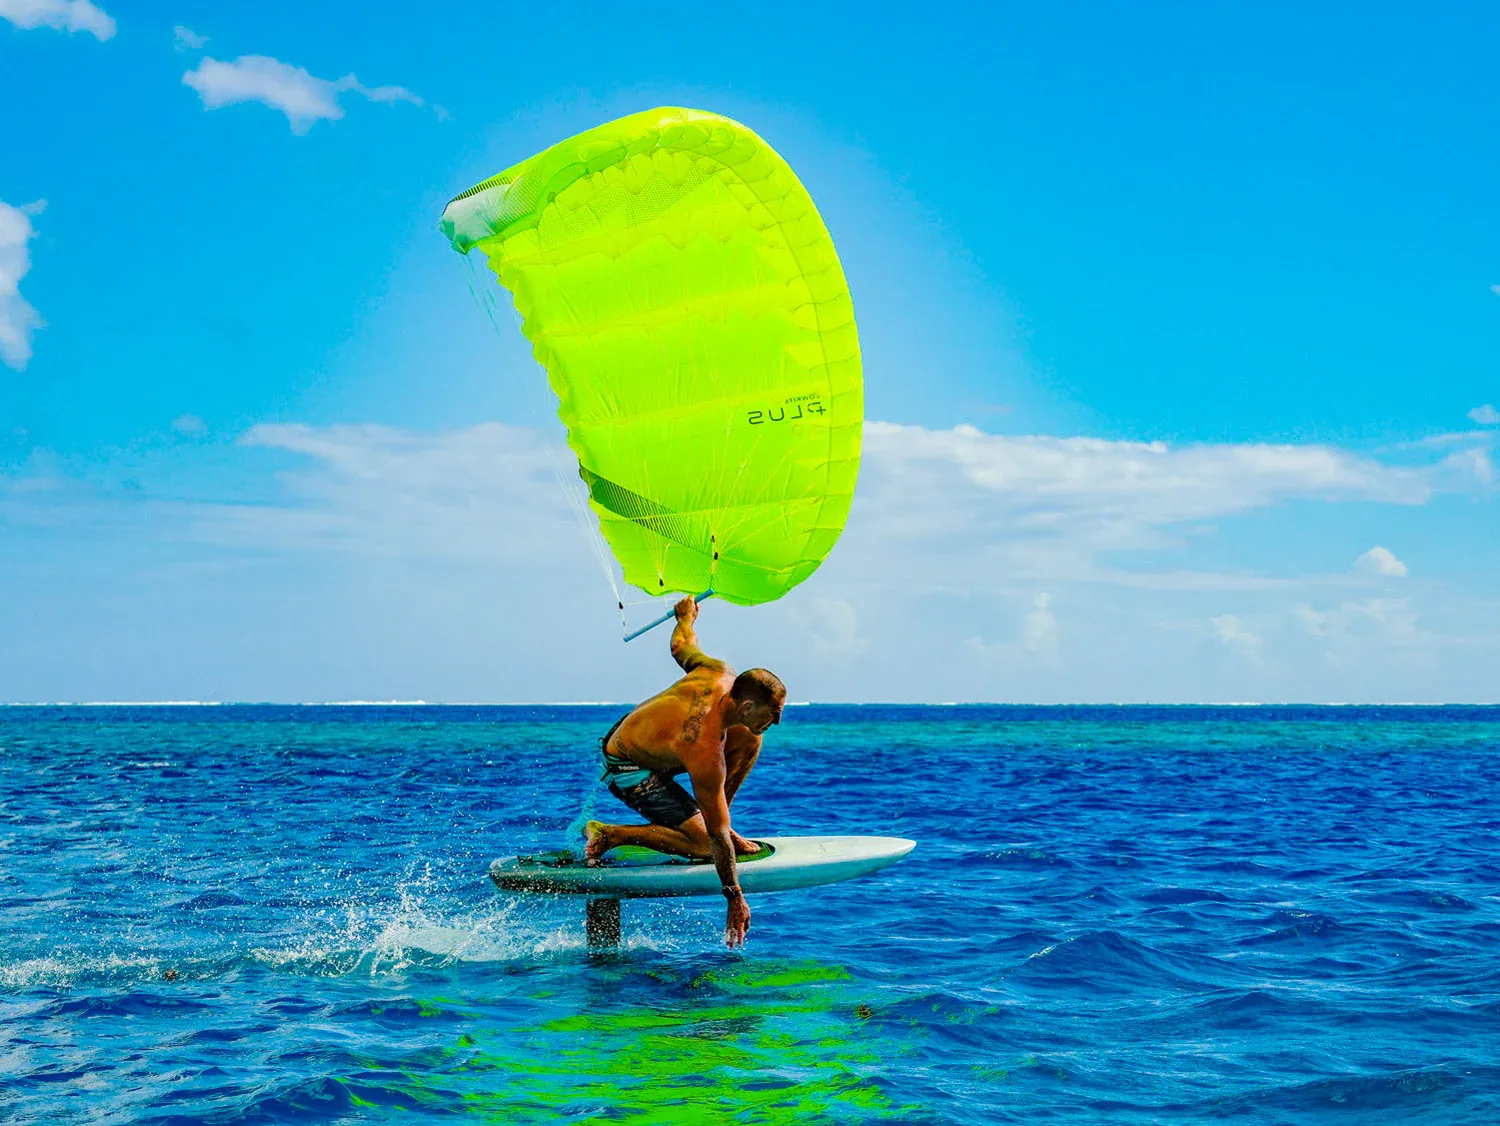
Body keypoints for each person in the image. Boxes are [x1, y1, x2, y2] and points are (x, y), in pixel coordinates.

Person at [584, 596, 785, 947]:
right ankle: (609, 834)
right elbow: (719, 841)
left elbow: (681, 645)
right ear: (748, 704)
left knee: (752, 739)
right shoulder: (704, 748)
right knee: (707, 845)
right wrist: (734, 896)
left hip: (650, 738)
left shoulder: (719, 673)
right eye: (773, 714)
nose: (777, 721)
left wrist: (686, 617)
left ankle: (713, 816)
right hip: (627, 764)